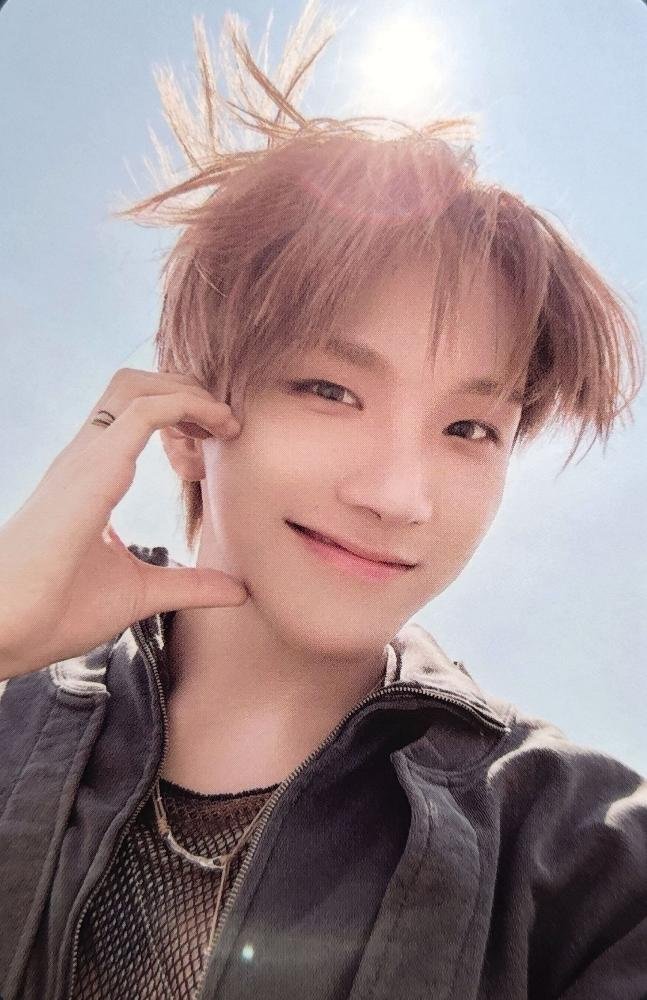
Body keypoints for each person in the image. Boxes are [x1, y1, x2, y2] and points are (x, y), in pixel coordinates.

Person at [0, 3, 645, 999]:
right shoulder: (13, 725)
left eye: (468, 428)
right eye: (330, 391)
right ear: (185, 419)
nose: (397, 495)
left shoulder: (585, 861)